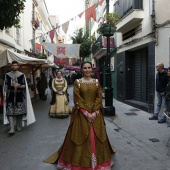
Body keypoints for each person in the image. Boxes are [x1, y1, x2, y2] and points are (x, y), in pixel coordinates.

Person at [43, 61, 115, 169]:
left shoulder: (96, 82)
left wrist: (95, 112)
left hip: (96, 114)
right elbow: (77, 99)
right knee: (79, 137)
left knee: (97, 137)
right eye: (85, 68)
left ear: (92, 69)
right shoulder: (78, 82)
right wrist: (86, 113)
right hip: (81, 113)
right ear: (81, 70)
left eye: (89, 67)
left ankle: (98, 163)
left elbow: (99, 98)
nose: (87, 70)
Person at [3, 61, 35, 135]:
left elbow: (25, 86)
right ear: (11, 66)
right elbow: (5, 86)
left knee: (19, 112)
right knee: (10, 112)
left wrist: (19, 85)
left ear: (18, 66)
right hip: (10, 95)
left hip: (19, 95)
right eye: (13, 65)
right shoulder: (7, 75)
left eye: (15, 65)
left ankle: (18, 125)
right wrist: (4, 95)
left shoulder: (21, 75)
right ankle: (12, 128)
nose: (14, 66)